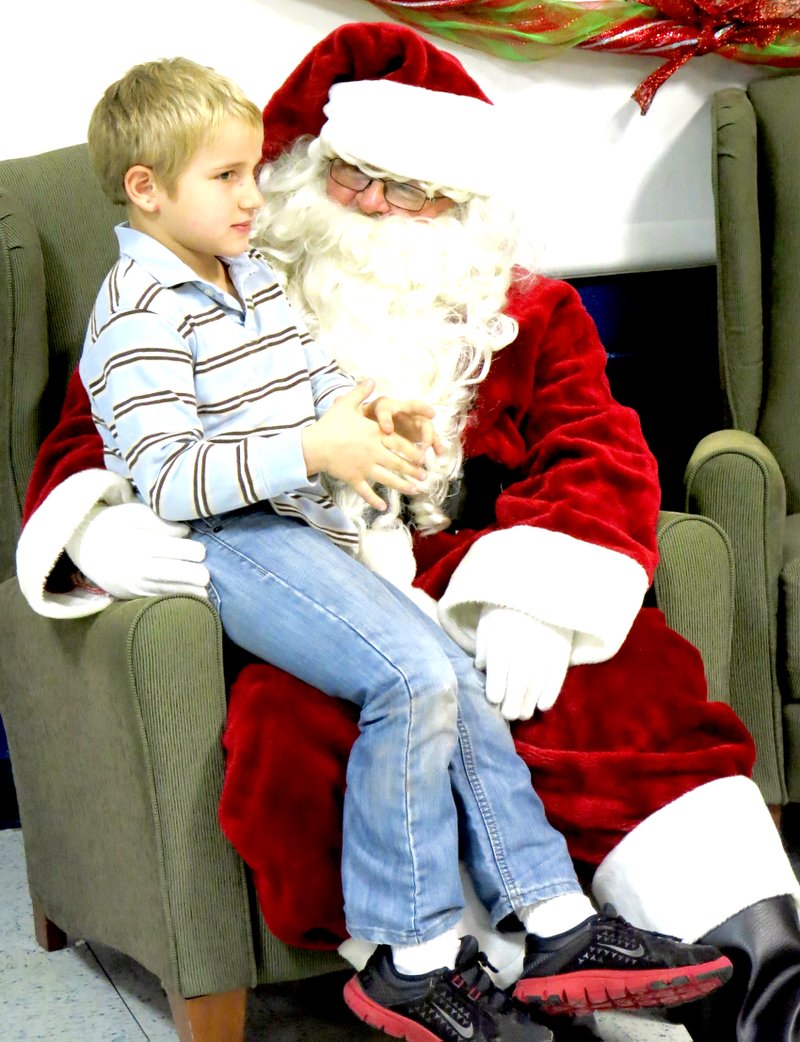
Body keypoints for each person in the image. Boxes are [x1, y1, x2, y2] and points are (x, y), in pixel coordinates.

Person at [15, 21, 800, 1042]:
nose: (377, 206)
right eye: (354, 177)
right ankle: (473, 978)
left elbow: (597, 451)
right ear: (307, 168)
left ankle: (756, 981)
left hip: (477, 559)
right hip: (301, 565)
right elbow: (103, 429)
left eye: (412, 187)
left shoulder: (526, 313)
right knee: (306, 729)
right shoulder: (219, 288)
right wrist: (96, 528)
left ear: (463, 206)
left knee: (627, 678)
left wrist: (532, 587)